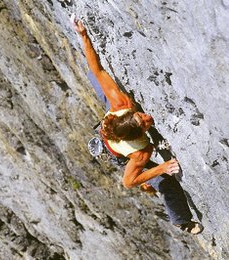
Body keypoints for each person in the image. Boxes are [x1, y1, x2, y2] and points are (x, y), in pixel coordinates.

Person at [71, 14, 203, 234]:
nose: (148, 118)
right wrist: (161, 168)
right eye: (145, 123)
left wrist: (83, 36)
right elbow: (128, 182)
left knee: (95, 78)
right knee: (167, 183)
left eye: (142, 117)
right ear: (139, 135)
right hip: (118, 153)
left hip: (112, 126)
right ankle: (182, 221)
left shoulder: (120, 104)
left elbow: (98, 70)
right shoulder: (139, 153)